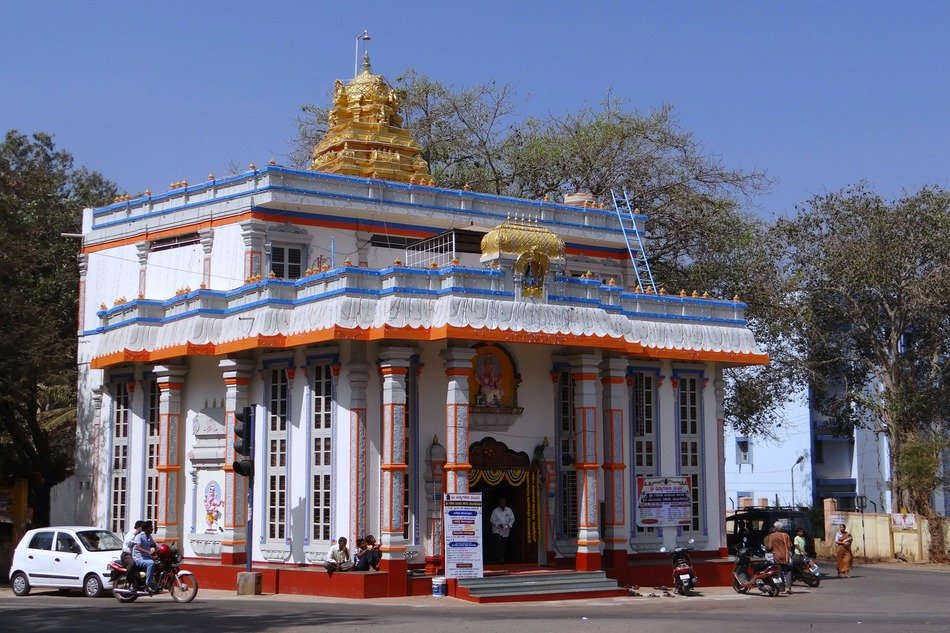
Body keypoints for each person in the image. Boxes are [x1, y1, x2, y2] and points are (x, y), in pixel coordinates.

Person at [765, 521, 793, 594]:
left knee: (779, 571)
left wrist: (767, 548)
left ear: (775, 528)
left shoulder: (772, 536)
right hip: (786, 555)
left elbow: (769, 546)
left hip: (776, 555)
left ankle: (781, 588)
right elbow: (789, 546)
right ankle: (788, 587)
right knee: (788, 571)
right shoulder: (786, 535)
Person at [132, 521, 157, 593]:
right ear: (146, 528)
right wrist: (148, 552)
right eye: (151, 527)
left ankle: (154, 581)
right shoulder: (139, 536)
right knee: (151, 563)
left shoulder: (149, 536)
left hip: (147, 557)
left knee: (159, 563)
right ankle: (148, 584)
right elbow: (138, 547)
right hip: (139, 559)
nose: (152, 529)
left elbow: (154, 545)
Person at [490, 497, 515, 564]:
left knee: (503, 545)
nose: (502, 504)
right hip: (497, 530)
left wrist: (509, 525)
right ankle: (498, 558)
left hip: (506, 530)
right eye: (501, 503)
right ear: (499, 503)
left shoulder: (509, 510)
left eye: (504, 503)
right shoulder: (495, 511)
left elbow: (512, 519)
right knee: (498, 541)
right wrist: (498, 524)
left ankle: (501, 558)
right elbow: (492, 520)